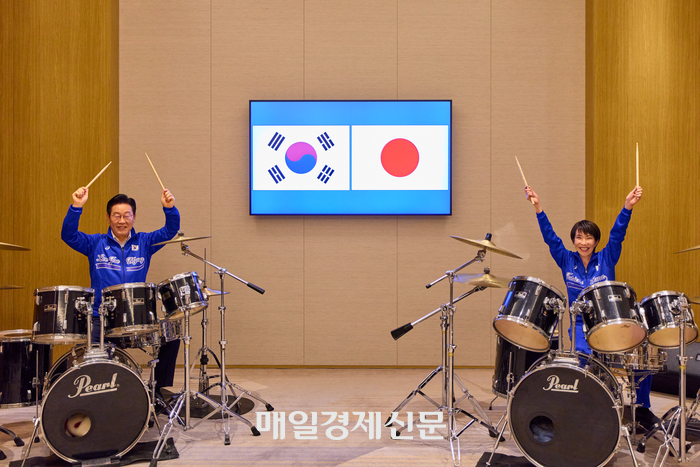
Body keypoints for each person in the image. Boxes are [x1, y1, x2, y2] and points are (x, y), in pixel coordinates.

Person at [524, 184, 660, 430]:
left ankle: (642, 409)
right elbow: (550, 237)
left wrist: (627, 207)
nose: (583, 242)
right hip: (580, 326)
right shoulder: (566, 259)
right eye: (579, 237)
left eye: (588, 238)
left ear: (596, 241)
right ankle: (585, 411)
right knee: (583, 361)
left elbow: (618, 233)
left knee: (641, 360)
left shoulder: (607, 257)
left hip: (611, 323)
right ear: (574, 240)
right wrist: (538, 207)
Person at [61, 186, 181, 395]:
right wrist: (76, 207)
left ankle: (156, 391)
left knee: (171, 337)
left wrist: (169, 208)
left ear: (134, 217)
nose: (122, 220)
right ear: (108, 218)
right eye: (116, 215)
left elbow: (170, 231)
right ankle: (103, 396)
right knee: (95, 362)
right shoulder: (95, 243)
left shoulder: (145, 242)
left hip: (137, 316)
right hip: (101, 318)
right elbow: (68, 235)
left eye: (127, 215)